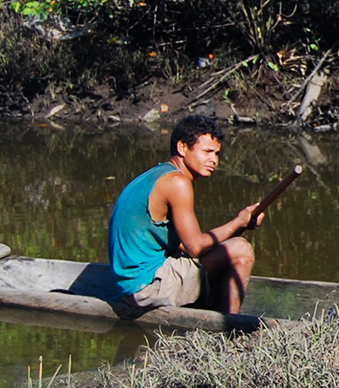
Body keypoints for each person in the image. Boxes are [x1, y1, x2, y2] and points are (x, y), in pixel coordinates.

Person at [109, 115, 264, 314]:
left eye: (216, 153)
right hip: (146, 288)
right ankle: (228, 330)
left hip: (131, 286)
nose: (214, 160)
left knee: (224, 249)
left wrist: (241, 226)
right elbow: (195, 247)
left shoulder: (158, 174)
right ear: (182, 148)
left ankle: (214, 315)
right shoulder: (177, 183)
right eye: (207, 152)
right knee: (241, 249)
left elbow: (182, 245)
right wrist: (238, 221)